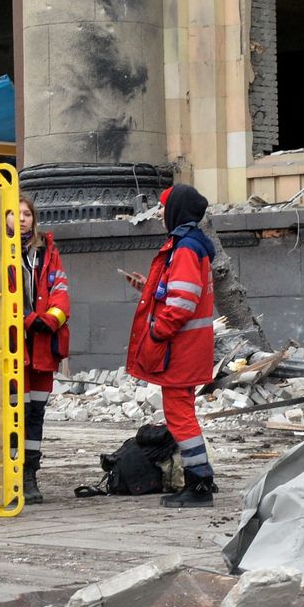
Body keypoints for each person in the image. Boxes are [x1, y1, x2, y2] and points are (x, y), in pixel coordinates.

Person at [126, 185, 217, 508]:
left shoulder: (185, 249)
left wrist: (157, 333)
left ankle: (199, 485)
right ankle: (200, 476)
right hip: (188, 347)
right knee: (183, 413)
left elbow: (180, 304)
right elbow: (178, 293)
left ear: (177, 210)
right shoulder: (191, 246)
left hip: (179, 348)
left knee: (180, 416)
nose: (162, 214)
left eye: (164, 207)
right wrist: (145, 288)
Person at [0, 196, 69, 504]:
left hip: (41, 345)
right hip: (11, 346)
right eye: (15, 213)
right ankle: (13, 473)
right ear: (4, 220)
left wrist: (50, 321)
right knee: (16, 410)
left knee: (36, 413)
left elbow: (61, 291)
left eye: (27, 213)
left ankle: (29, 473)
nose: (22, 218)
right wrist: (29, 319)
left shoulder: (47, 251)